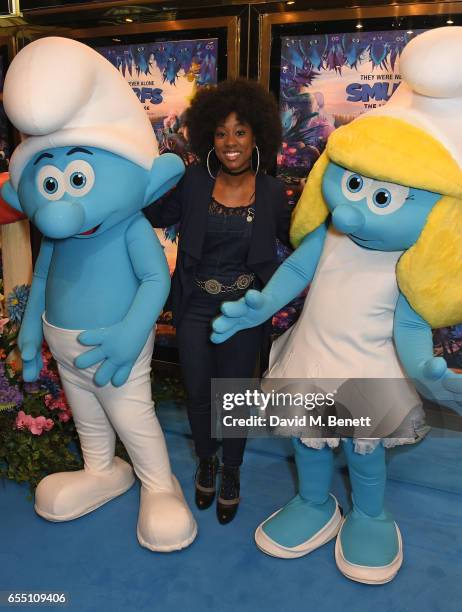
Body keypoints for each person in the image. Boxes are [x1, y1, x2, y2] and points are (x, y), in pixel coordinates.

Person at [145, 79, 290, 524]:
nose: (231, 142)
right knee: (199, 394)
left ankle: (230, 471)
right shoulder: (192, 182)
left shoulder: (270, 191)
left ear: (257, 137)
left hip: (244, 313)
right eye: (223, 132)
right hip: (194, 307)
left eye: (241, 131)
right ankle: (205, 461)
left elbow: (297, 243)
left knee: (233, 398)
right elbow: (151, 213)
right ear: (210, 135)